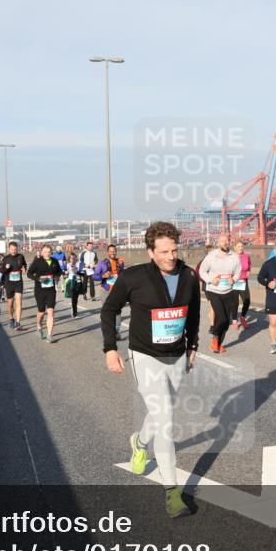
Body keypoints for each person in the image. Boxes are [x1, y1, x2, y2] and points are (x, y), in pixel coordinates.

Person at [101, 221, 200, 519]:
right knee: (166, 420)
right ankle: (173, 493)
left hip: (177, 355)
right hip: (144, 355)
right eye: (164, 251)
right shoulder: (134, 277)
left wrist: (193, 345)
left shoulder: (188, 276)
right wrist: (109, 349)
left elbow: (193, 312)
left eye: (174, 249)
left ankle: (139, 442)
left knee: (161, 412)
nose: (171, 256)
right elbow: (109, 310)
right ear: (150, 252)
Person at [198, 234, 241, 354]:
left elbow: (238, 272)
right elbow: (202, 271)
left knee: (226, 321)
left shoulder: (235, 257)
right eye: (222, 241)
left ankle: (217, 344)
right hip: (214, 291)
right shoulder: (211, 256)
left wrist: (234, 280)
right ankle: (215, 335)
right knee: (221, 317)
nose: (225, 242)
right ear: (218, 243)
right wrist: (211, 280)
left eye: (227, 240)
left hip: (228, 291)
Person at [28, 244, 62, 343]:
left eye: (49, 252)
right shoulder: (37, 262)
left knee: (51, 312)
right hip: (40, 290)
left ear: (51, 252)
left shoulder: (55, 261)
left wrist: (57, 277)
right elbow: (29, 274)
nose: (47, 253)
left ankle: (49, 335)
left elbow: (59, 272)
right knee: (41, 312)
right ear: (42, 252)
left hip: (51, 290)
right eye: (45, 252)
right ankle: (39, 325)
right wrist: (38, 279)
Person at [94, 244, 126, 338]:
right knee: (107, 311)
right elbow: (94, 276)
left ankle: (116, 331)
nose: (113, 253)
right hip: (105, 290)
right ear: (108, 252)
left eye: (114, 251)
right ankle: (109, 331)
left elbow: (123, 275)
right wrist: (102, 276)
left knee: (118, 311)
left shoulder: (120, 262)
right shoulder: (102, 263)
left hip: (117, 290)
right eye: (111, 251)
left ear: (116, 251)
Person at [0, 242, 28, 330]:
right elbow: (1, 270)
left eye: (15, 249)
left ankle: (18, 322)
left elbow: (24, 265)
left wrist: (24, 269)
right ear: (9, 249)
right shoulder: (6, 258)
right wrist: (6, 268)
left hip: (18, 282)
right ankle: (11, 318)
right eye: (12, 249)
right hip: (9, 283)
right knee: (10, 304)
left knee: (19, 301)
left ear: (17, 249)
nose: (14, 251)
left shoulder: (21, 256)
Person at [232, 240, 252, 330]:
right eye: (238, 246)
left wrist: (248, 271)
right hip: (234, 282)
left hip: (243, 281)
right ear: (235, 247)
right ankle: (234, 320)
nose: (240, 248)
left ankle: (242, 317)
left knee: (247, 301)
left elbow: (249, 265)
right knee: (235, 303)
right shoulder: (231, 256)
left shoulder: (246, 256)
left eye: (242, 246)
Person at [195, 244, 214, 330]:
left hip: (217, 286)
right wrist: (206, 279)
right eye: (210, 251)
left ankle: (213, 320)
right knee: (212, 305)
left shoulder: (218, 261)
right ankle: (212, 324)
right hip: (207, 286)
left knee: (214, 305)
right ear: (207, 253)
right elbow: (198, 274)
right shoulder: (202, 262)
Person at [64, 252, 85, 318]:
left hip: (78, 281)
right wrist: (66, 272)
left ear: (76, 258)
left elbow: (83, 273)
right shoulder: (67, 265)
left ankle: (73, 309)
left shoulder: (79, 264)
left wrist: (77, 272)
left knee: (76, 298)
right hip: (71, 282)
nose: (72, 259)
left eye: (74, 258)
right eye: (71, 258)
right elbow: (64, 274)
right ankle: (74, 313)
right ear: (69, 259)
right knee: (73, 298)